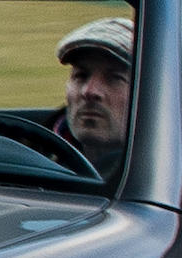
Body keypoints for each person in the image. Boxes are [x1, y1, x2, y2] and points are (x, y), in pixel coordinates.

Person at [53, 14, 133, 169]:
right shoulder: (34, 153)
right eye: (81, 76)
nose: (89, 91)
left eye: (115, 78)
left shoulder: (165, 174)